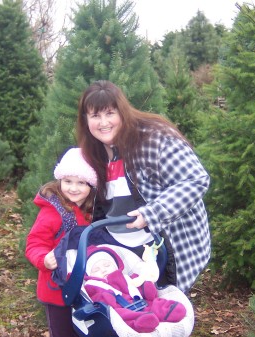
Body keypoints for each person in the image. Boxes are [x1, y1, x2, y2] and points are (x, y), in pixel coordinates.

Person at [76, 80, 211, 293]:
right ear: (86, 120)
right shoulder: (91, 152)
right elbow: (73, 188)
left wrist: (152, 213)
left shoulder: (154, 138)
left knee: (162, 308)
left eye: (110, 113)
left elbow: (195, 179)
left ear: (122, 112)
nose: (103, 123)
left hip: (161, 246)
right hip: (119, 248)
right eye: (95, 116)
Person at [25, 147, 97, 337]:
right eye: (68, 181)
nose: (73, 188)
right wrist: (43, 259)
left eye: (81, 183)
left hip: (88, 288)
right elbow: (34, 243)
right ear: (60, 181)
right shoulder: (52, 213)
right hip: (57, 291)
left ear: (91, 185)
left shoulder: (93, 212)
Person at [84, 245, 187, 333]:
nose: (103, 270)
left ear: (115, 266)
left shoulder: (127, 277)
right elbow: (97, 300)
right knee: (120, 316)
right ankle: (140, 322)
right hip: (119, 310)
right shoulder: (94, 286)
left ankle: (169, 310)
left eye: (107, 265)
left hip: (142, 303)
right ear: (89, 274)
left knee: (154, 303)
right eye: (96, 269)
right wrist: (106, 298)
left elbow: (146, 292)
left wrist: (146, 284)